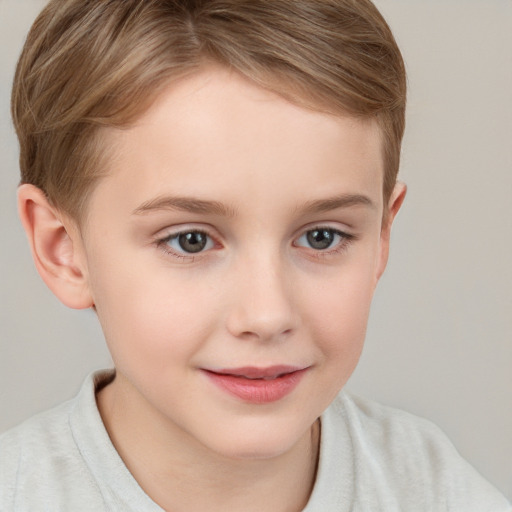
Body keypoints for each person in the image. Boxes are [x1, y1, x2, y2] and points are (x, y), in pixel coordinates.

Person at [0, 0, 510, 510]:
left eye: (322, 237)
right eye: (190, 240)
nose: (267, 315)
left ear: (381, 235)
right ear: (63, 249)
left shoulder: (436, 491)